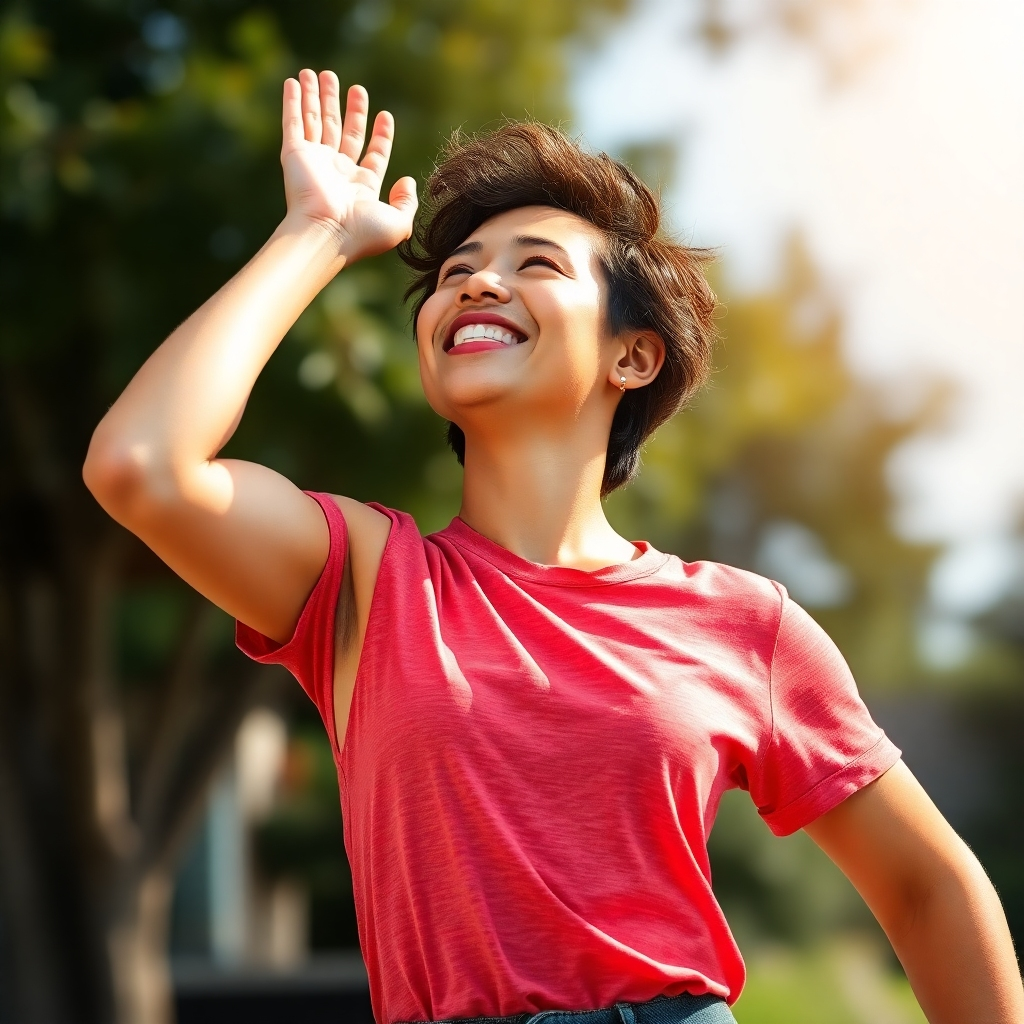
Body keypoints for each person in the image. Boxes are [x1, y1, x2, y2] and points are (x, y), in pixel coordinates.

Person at [83, 69, 1024, 1024]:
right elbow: (143, 465)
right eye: (454, 274)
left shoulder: (747, 624)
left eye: (536, 264)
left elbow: (929, 891)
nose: (478, 281)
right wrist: (315, 233)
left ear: (634, 355)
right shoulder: (367, 575)